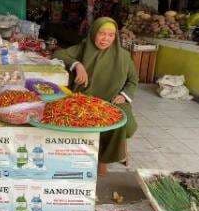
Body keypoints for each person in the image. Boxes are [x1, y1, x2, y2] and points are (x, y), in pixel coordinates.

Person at [53, 17, 138, 175]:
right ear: (93, 33)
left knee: (121, 121)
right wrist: (77, 65)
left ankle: (103, 161)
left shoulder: (124, 56)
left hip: (113, 100)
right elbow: (58, 53)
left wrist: (124, 95)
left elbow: (133, 80)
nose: (106, 39)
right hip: (85, 98)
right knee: (76, 118)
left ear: (115, 37)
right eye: (102, 33)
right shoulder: (83, 48)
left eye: (111, 35)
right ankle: (84, 157)